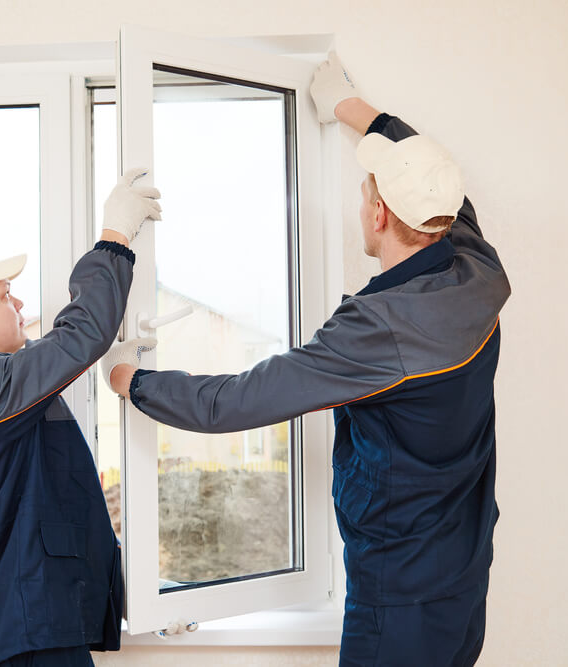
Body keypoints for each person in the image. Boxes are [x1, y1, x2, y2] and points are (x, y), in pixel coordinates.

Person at [101, 54, 511, 666]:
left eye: (367, 191)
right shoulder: (478, 269)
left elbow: (235, 400)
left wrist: (132, 381)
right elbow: (436, 174)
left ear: (376, 214)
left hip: (397, 596)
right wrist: (352, 109)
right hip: (463, 570)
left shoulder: (379, 331)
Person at [0, 168, 161, 667]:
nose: (20, 304)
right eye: (6, 295)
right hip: (25, 640)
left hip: (26, 631)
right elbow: (77, 338)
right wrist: (114, 238)